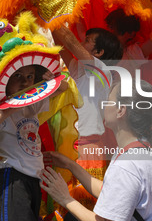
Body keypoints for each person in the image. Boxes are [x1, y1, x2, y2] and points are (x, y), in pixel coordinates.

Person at [39, 80, 152, 221]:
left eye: (108, 101)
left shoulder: (127, 164)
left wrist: (65, 198)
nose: (104, 106)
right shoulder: (144, 148)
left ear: (121, 110)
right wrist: (71, 166)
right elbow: (114, 193)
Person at [0, 65, 68, 221]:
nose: (25, 81)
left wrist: (50, 79)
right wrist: (8, 109)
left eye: (30, 76)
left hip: (33, 181)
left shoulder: (31, 106)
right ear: (3, 80)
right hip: (13, 180)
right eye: (17, 76)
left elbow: (63, 87)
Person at [51, 26, 123, 179]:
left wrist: (53, 14)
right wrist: (47, 22)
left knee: (83, 200)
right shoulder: (80, 69)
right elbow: (61, 44)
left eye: (87, 41)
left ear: (98, 52)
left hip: (86, 147)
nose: (81, 43)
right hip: (69, 144)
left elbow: (70, 41)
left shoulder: (101, 70)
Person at [105, 8, 152, 78]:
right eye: (109, 27)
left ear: (131, 34)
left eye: (114, 28)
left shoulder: (132, 53)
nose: (109, 31)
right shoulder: (98, 48)